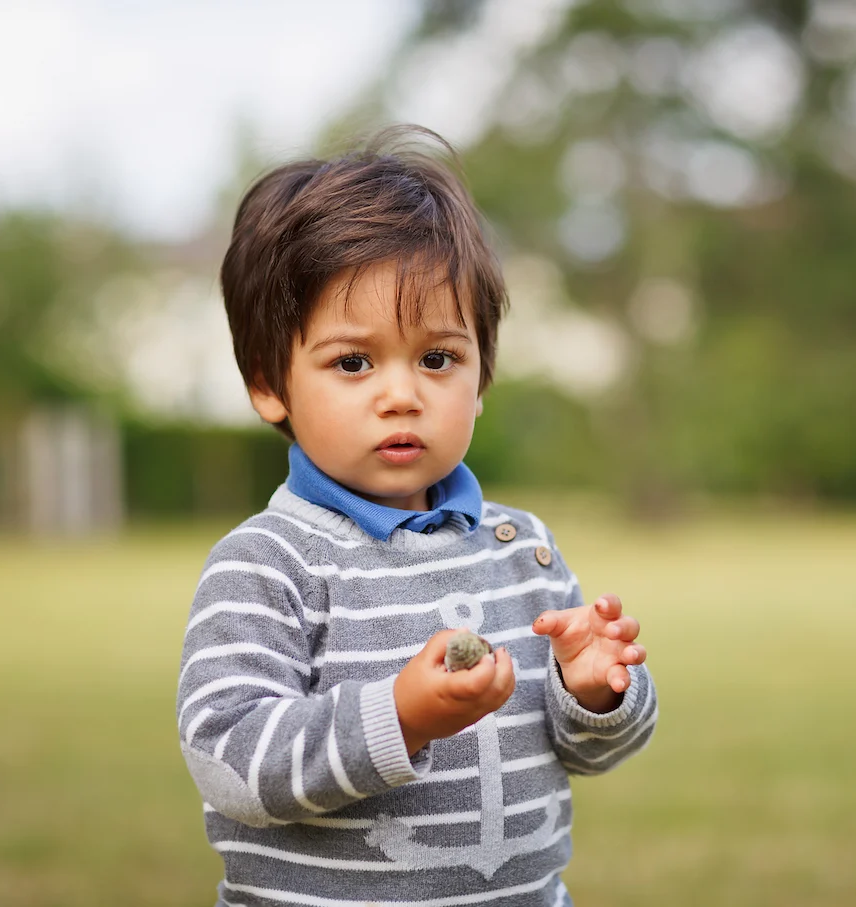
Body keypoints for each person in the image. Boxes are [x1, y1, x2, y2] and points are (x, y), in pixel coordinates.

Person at [177, 125, 657, 907]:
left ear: (480, 377)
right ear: (269, 384)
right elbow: (229, 758)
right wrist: (397, 717)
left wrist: (594, 694)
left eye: (437, 358)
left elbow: (594, 754)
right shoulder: (267, 564)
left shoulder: (521, 548)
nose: (401, 393)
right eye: (353, 362)